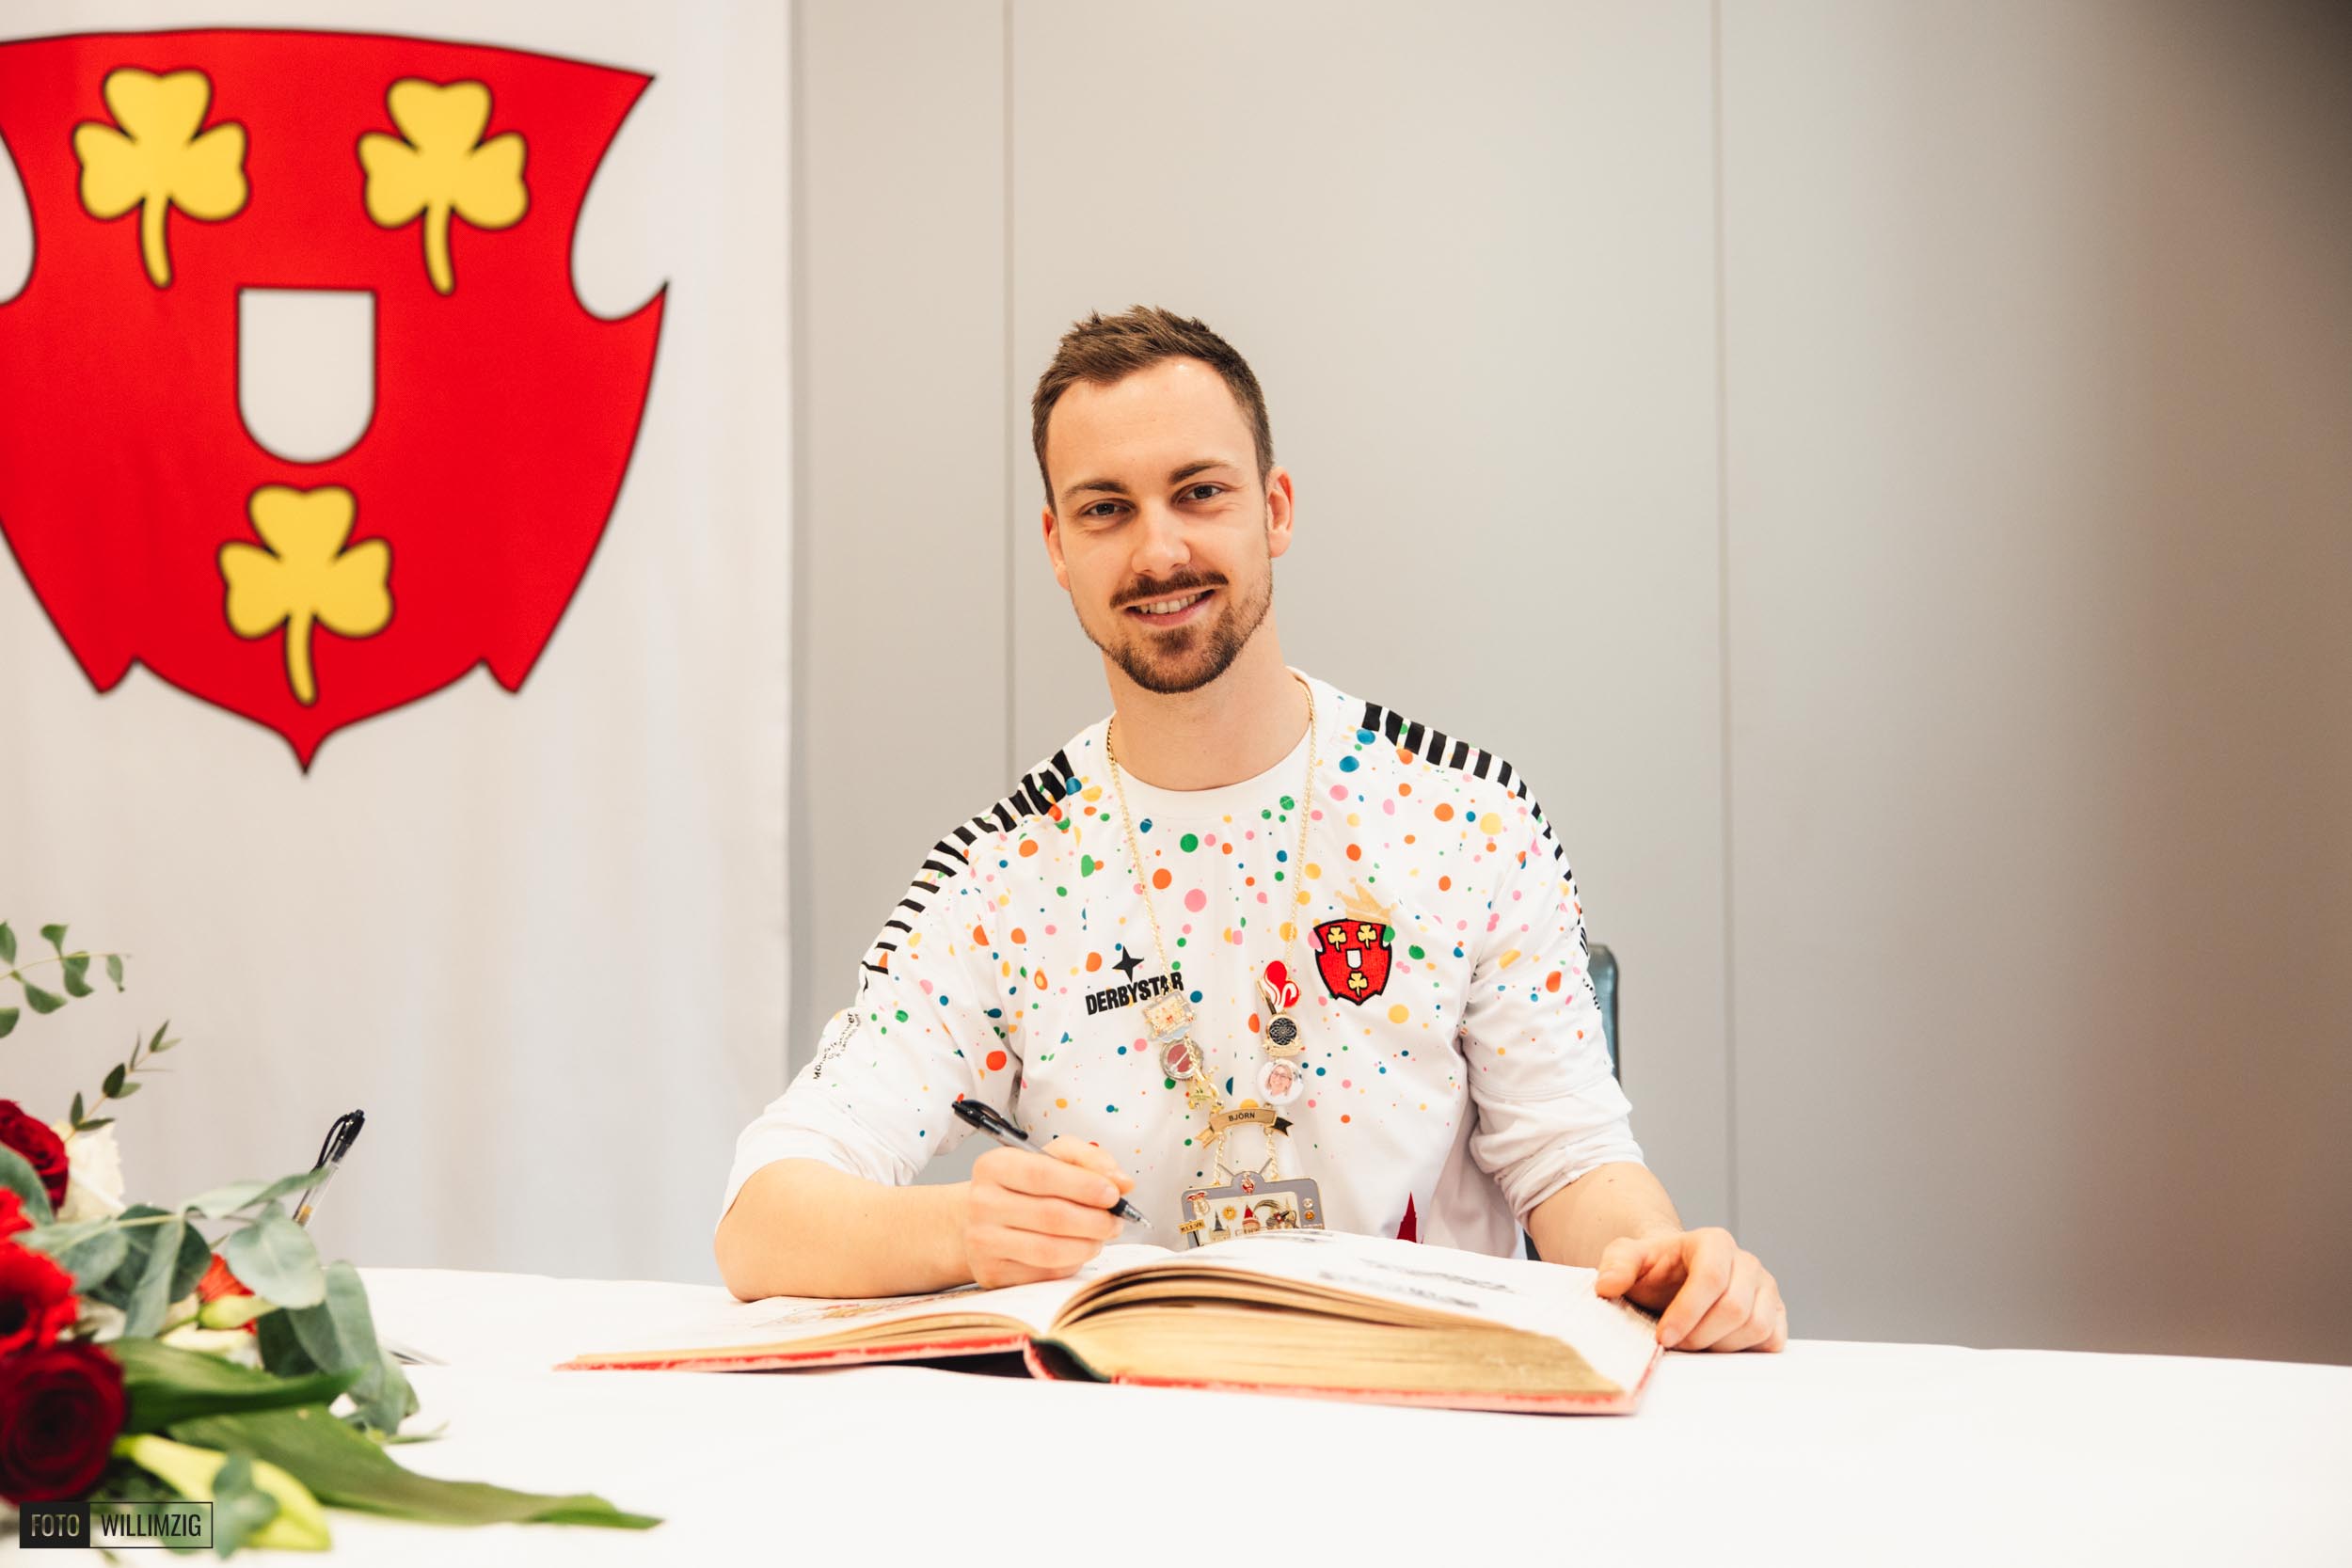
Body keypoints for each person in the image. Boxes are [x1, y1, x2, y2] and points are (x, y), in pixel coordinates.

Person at [717, 307, 1787, 1353]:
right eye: (1105, 509)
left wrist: (1665, 1263)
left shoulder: (1469, 821)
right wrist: (962, 1228)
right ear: (1057, 547)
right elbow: (762, 1219)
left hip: (1431, 1422)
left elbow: (1571, 1162)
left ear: (1275, 509)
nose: (1159, 549)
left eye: (1199, 492)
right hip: (1126, 1429)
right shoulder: (999, 876)